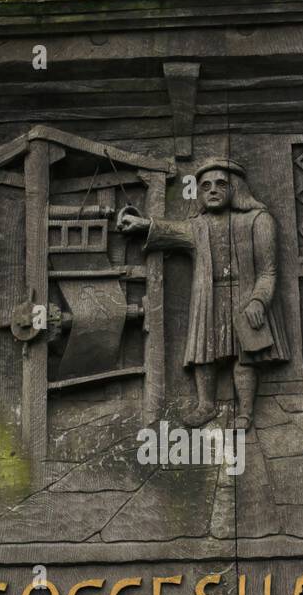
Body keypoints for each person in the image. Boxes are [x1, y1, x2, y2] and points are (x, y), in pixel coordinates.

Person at [118, 158, 289, 427]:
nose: (212, 189)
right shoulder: (197, 226)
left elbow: (268, 272)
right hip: (208, 298)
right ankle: (206, 405)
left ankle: (245, 412)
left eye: (221, 184)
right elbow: (168, 230)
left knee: (246, 353)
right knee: (204, 352)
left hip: (246, 297)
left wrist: (259, 301)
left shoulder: (258, 220)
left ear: (236, 189)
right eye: (205, 185)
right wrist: (142, 224)